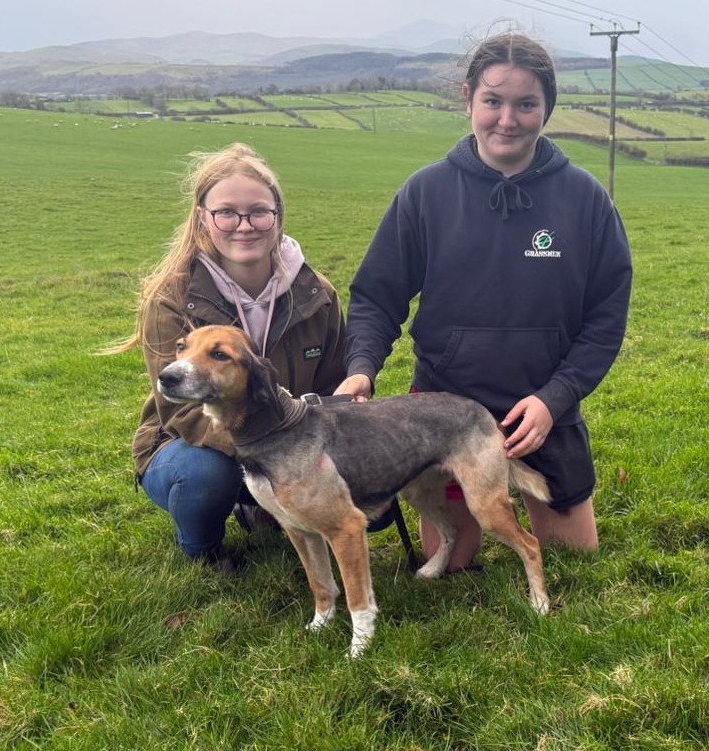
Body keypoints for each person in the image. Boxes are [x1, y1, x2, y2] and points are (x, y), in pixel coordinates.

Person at [335, 31, 632, 570]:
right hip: (445, 415)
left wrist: (555, 399)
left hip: (543, 411)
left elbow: (606, 318)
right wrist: (361, 369)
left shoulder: (585, 198)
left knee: (575, 560)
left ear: (547, 108)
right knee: (451, 562)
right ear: (468, 98)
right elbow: (377, 296)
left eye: (526, 104)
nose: (507, 120)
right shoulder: (425, 193)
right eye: (493, 101)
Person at [115, 142, 346, 573]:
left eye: (259, 212)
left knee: (372, 503)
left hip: (293, 439)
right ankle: (204, 549)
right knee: (203, 477)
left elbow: (333, 387)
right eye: (227, 213)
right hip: (193, 444)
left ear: (278, 216)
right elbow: (180, 412)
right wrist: (274, 450)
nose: (245, 226)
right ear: (203, 217)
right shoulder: (171, 298)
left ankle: (268, 509)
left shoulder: (318, 295)